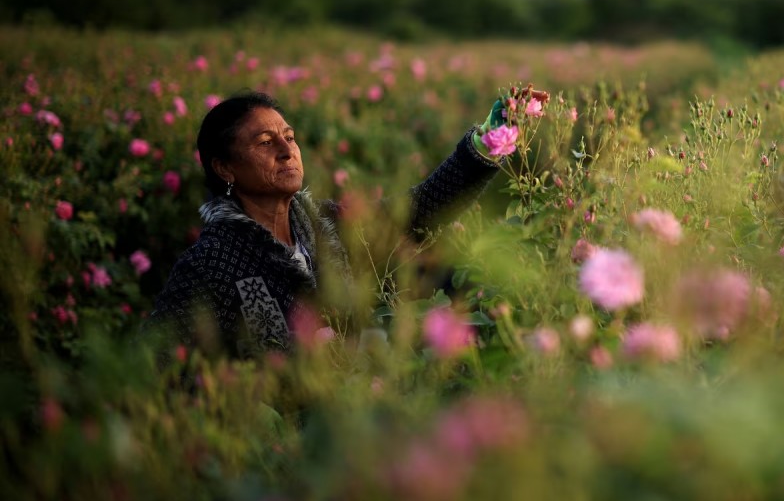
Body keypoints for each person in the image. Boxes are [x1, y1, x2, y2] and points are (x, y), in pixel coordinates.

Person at [145, 88, 542, 360]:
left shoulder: (325, 225)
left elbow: (415, 211)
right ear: (224, 168)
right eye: (265, 142)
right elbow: (155, 362)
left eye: (289, 137)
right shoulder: (212, 263)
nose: (286, 151)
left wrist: (489, 140)